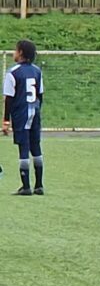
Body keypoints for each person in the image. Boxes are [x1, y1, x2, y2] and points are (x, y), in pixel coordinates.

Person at [3, 39, 45, 196]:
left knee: (24, 148)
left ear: (20, 52)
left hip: (21, 114)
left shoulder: (13, 73)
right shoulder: (37, 71)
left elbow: (9, 99)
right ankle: (39, 185)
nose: (14, 53)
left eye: (15, 50)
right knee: (36, 147)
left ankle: (26, 186)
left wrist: (6, 120)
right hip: (35, 112)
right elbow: (40, 95)